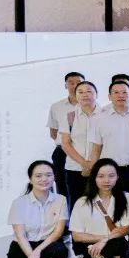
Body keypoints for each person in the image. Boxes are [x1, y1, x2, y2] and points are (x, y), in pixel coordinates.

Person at [69, 158, 129, 258]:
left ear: (118, 177)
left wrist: (105, 240)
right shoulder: (82, 202)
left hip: (117, 245)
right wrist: (101, 240)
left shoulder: (127, 197)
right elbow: (77, 236)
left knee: (116, 245)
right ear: (94, 178)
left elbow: (126, 229)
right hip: (94, 251)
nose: (106, 180)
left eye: (111, 176)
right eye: (101, 176)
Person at [7, 161, 70, 258]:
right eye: (38, 176)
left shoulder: (61, 200)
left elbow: (58, 232)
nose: (44, 179)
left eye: (48, 175)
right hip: (22, 247)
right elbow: (21, 236)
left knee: (60, 249)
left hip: (47, 244)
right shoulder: (19, 203)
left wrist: (37, 251)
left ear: (54, 177)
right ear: (30, 179)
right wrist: (34, 257)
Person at [88, 81, 129, 198]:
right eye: (116, 92)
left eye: (124, 92)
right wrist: (94, 172)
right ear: (109, 97)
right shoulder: (99, 118)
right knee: (112, 203)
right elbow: (96, 148)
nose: (120, 95)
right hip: (109, 171)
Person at [59, 81, 100, 217]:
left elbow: (105, 142)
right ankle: (77, 232)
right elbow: (66, 144)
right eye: (80, 92)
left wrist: (92, 165)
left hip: (100, 170)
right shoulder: (69, 116)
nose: (85, 95)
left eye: (89, 91)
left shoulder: (105, 115)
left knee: (100, 207)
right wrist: (84, 164)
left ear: (96, 94)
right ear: (76, 96)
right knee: (77, 206)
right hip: (75, 169)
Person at [47, 72, 85, 206]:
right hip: (62, 152)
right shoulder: (56, 106)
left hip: (83, 151)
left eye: (78, 82)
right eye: (71, 82)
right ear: (65, 85)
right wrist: (65, 142)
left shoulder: (92, 104)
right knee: (62, 187)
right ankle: (63, 217)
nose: (74, 85)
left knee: (82, 188)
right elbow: (53, 132)